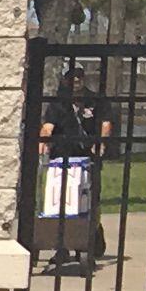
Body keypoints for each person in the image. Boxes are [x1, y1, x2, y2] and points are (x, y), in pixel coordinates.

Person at [36, 64, 114, 274]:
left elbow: (105, 124)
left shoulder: (95, 100)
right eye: (72, 77)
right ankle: (61, 247)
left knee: (90, 199)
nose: (76, 81)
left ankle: (90, 237)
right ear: (65, 80)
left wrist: (101, 142)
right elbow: (48, 126)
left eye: (79, 76)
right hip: (62, 158)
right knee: (60, 201)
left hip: (88, 158)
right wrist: (43, 140)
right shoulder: (58, 104)